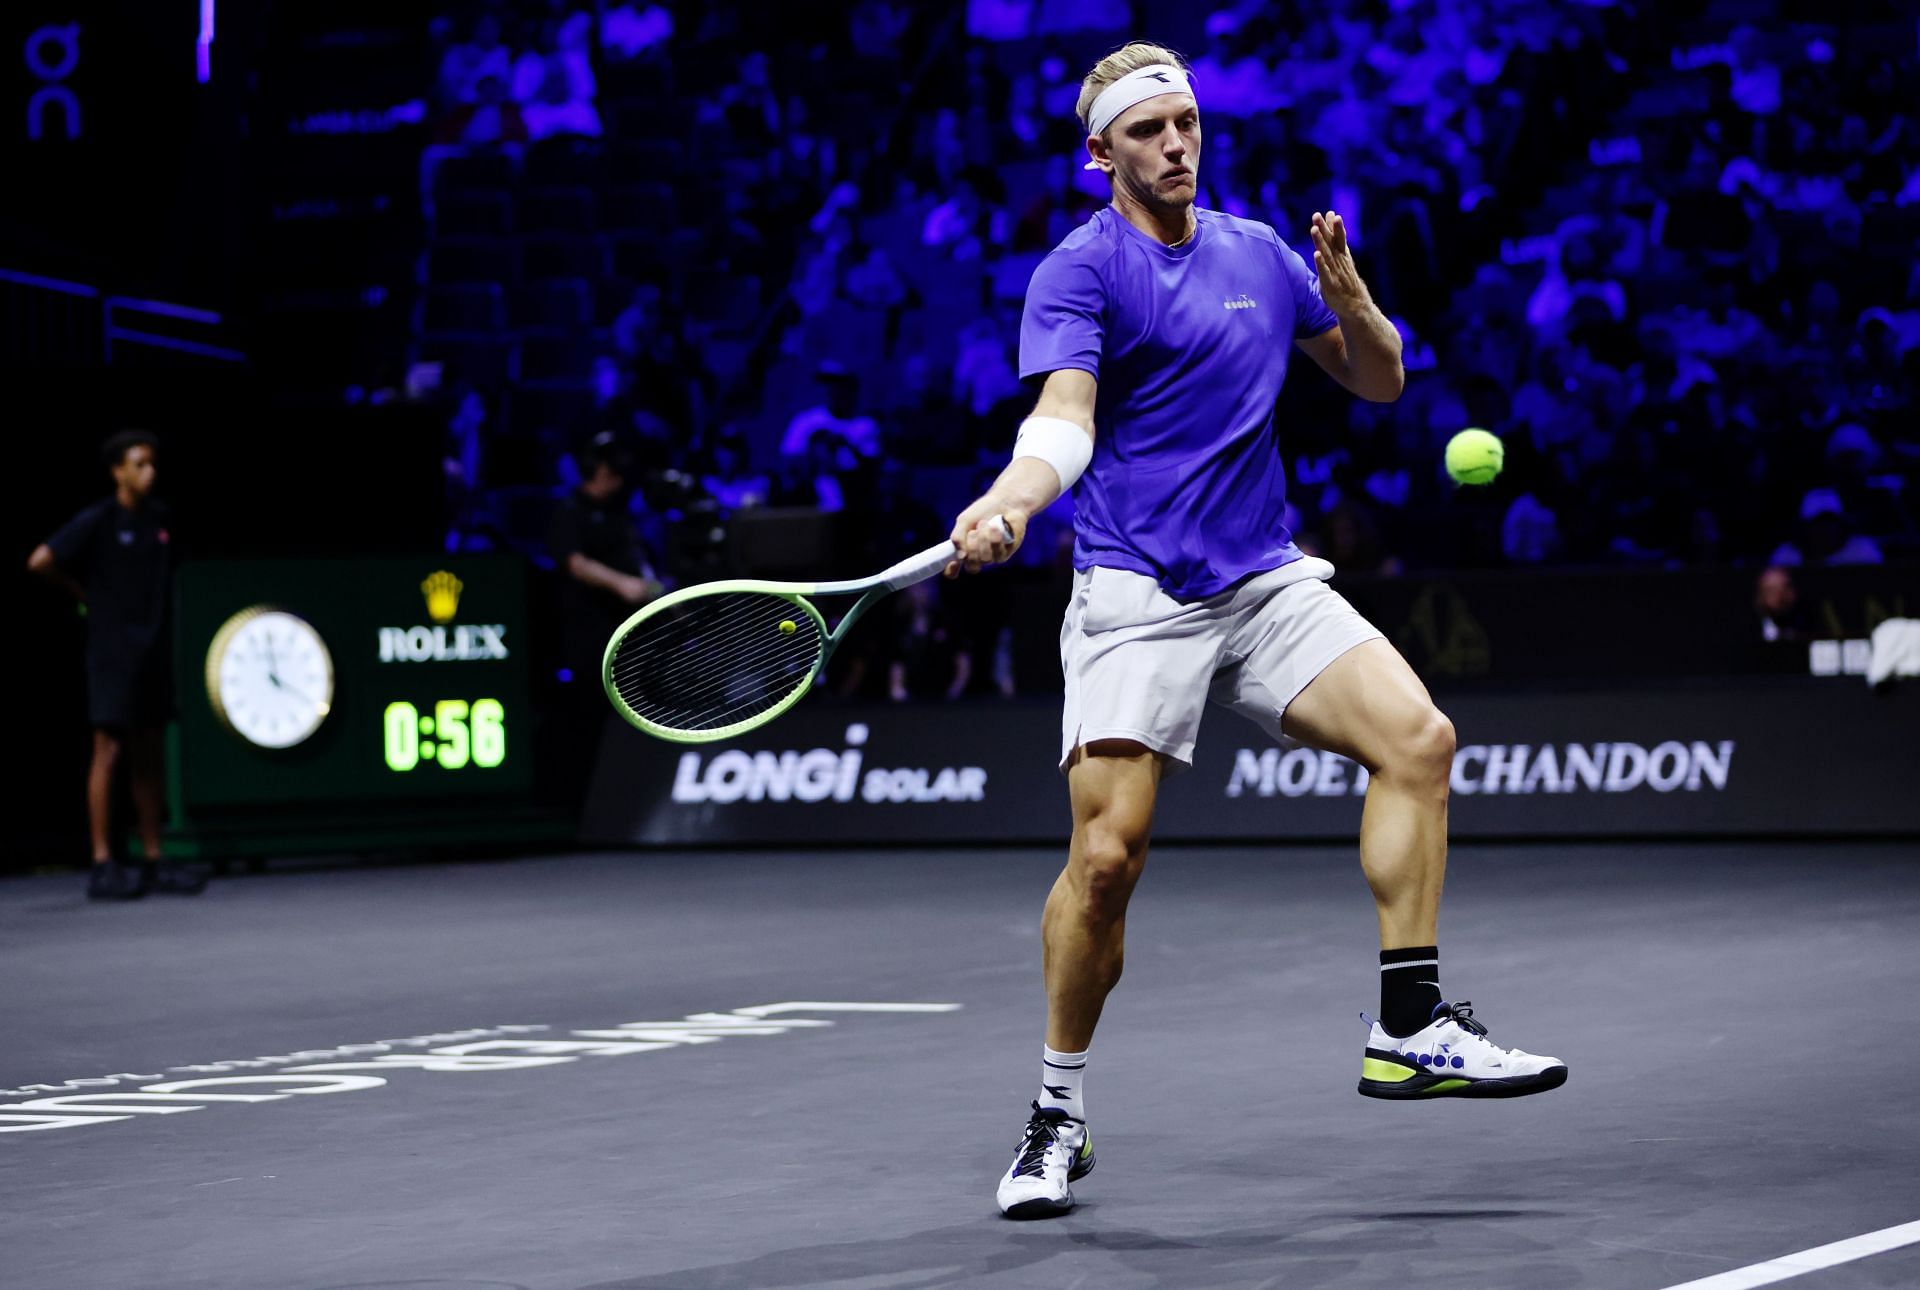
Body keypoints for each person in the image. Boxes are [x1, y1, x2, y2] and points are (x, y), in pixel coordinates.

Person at [941, 43, 1566, 1220]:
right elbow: (1063, 423)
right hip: (1137, 591)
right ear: (1102, 156)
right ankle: (1057, 1113)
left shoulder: (1261, 254)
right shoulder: (1080, 271)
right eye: (1148, 131)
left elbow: (1379, 382)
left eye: (1185, 122)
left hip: (1263, 578)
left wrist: (1352, 298)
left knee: (1419, 742)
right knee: (1106, 862)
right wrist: (1012, 501)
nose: (1176, 143)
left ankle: (1410, 1022)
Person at [28, 431, 205, 900]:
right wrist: (85, 598)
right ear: (118, 472)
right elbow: (40, 561)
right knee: (108, 749)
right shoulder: (98, 520)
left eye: (152, 463)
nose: (149, 472)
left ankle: (153, 858)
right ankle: (103, 861)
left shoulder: (161, 520)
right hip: (112, 653)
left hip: (152, 651)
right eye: (139, 464)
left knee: (149, 752)